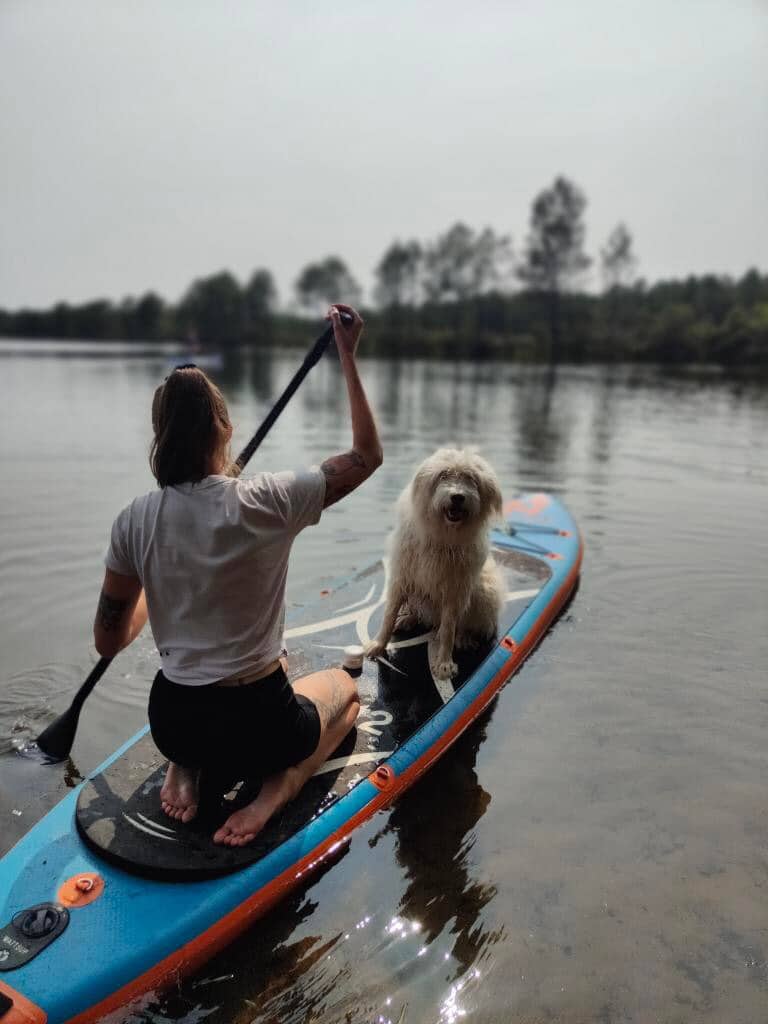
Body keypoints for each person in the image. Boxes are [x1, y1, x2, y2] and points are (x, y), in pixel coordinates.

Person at [93, 304, 382, 847]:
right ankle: (279, 789)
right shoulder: (269, 498)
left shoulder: (133, 520)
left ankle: (185, 764)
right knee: (346, 693)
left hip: (173, 720)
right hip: (260, 724)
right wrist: (347, 353)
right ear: (225, 429)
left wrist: (158, 591)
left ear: (160, 437)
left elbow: (107, 641)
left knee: (204, 714)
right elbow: (368, 456)